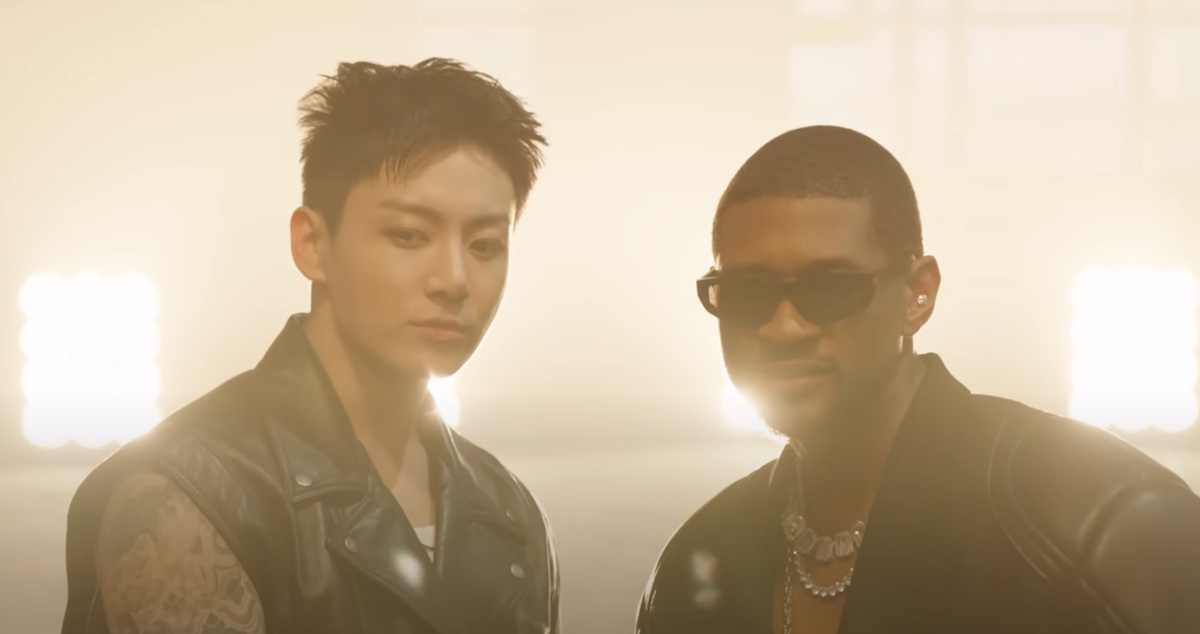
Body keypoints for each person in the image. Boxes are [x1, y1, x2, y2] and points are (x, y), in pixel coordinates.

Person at [635, 125, 1200, 634]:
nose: (784, 328)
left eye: (830, 288)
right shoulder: (698, 562)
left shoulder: (1091, 517)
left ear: (916, 294)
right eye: (747, 293)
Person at [61, 58, 560, 634]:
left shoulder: (511, 513)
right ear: (312, 244)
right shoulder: (189, 490)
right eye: (409, 235)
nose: (453, 280)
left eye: (485, 245)